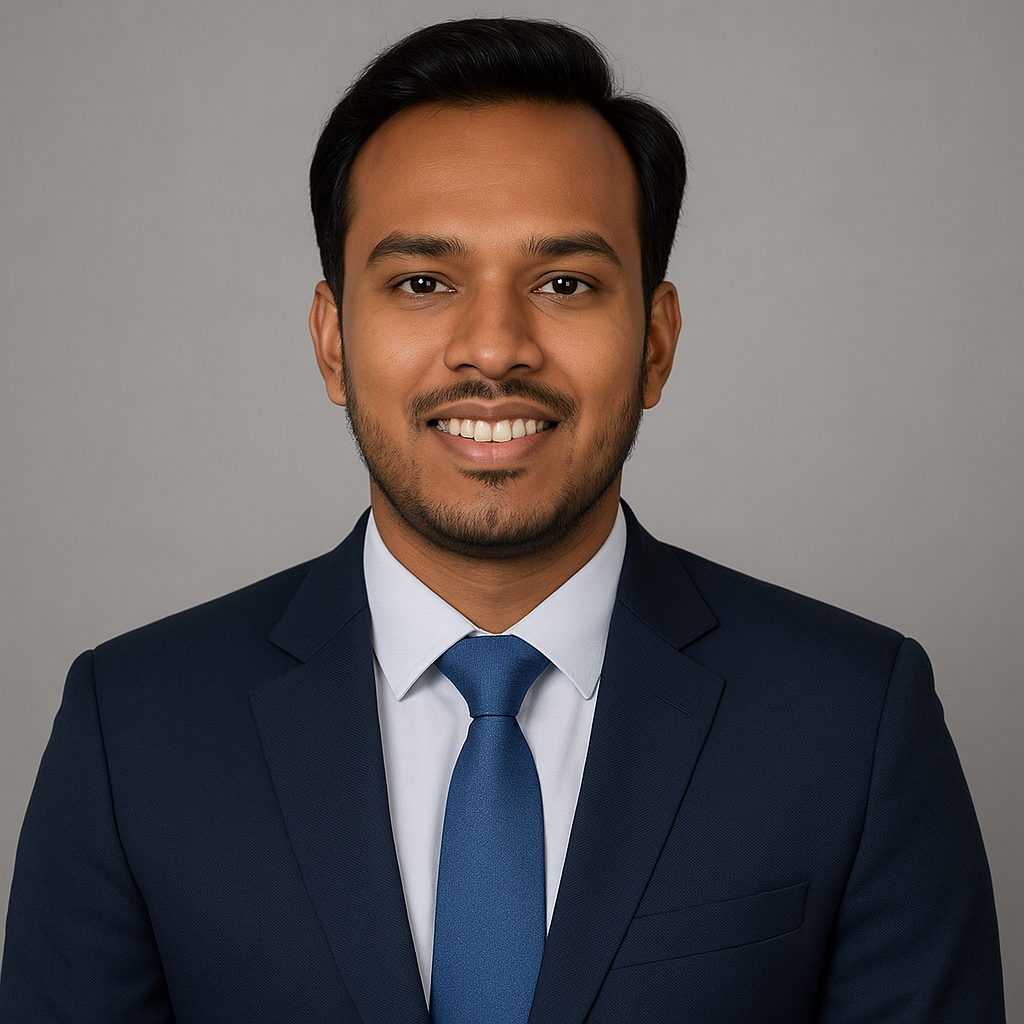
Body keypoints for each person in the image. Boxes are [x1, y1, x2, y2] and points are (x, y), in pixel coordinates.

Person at [0, 17, 1004, 1024]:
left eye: (564, 283)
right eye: (422, 282)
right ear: (332, 339)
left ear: (654, 342)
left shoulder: (854, 722)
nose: (493, 346)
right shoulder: (131, 731)